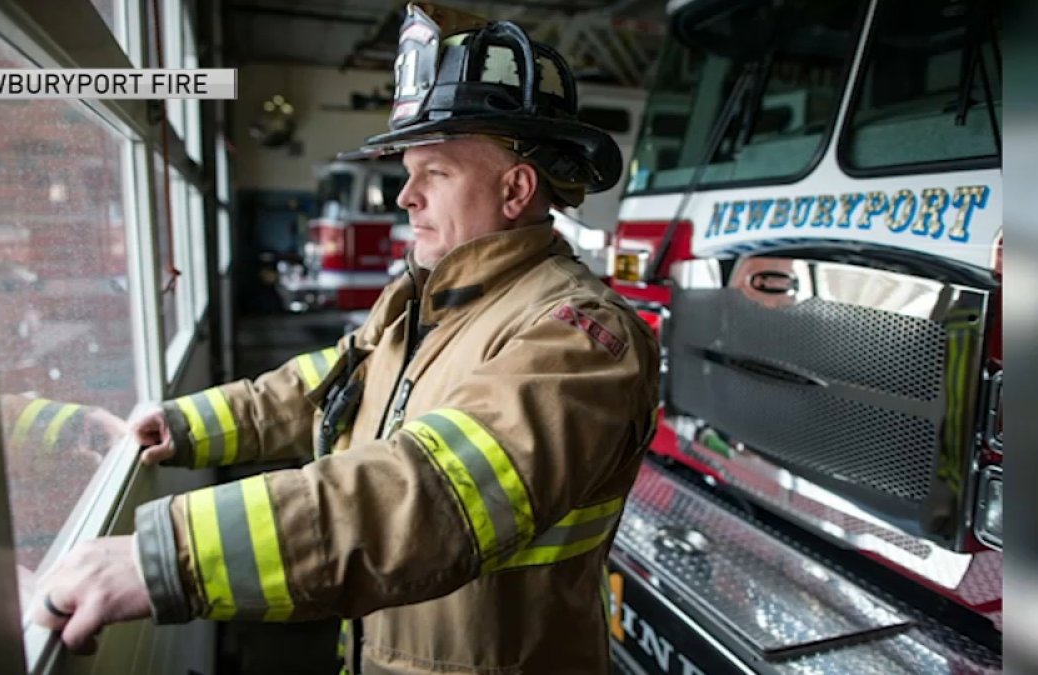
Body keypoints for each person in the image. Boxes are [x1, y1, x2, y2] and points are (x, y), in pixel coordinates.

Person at [34, 4, 660, 672]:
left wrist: (163, 557)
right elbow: (321, 389)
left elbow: (430, 494)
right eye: (407, 171)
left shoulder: (581, 338)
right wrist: (181, 424)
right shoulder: (425, 298)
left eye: (435, 173)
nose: (405, 197)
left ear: (515, 189)